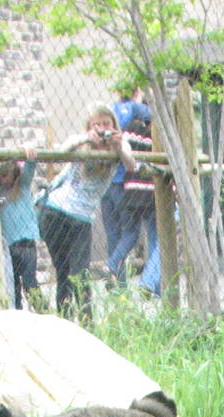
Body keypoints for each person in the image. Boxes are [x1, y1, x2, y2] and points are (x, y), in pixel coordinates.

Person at [39, 101, 138, 317]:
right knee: (64, 273)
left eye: (106, 124)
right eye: (97, 125)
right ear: (89, 127)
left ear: (114, 125)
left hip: (82, 218)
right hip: (55, 212)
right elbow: (60, 152)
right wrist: (86, 138)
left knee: (80, 275)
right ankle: (64, 324)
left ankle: (87, 324)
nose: (102, 129)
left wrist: (118, 146)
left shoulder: (120, 145)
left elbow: (131, 165)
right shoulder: (81, 143)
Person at [106, 117, 160, 295]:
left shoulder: (131, 131)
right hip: (152, 192)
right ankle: (151, 284)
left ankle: (112, 264)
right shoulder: (159, 137)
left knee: (130, 234)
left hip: (131, 191)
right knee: (156, 239)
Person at [101, 88, 151, 277]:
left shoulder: (109, 110)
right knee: (131, 232)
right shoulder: (135, 108)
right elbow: (157, 116)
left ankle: (118, 286)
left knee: (113, 236)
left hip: (106, 183)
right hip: (125, 182)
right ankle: (112, 265)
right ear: (137, 90)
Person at [0, 147, 41, 309]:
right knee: (13, 287)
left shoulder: (22, 185)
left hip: (26, 242)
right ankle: (17, 317)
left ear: (14, 172)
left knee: (30, 284)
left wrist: (28, 153)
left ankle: (42, 314)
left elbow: (30, 166)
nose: (3, 180)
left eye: (5, 176)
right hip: (8, 246)